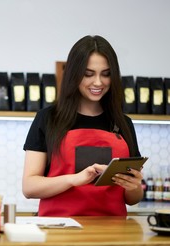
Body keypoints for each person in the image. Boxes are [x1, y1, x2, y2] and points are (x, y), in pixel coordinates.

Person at [22, 35, 143, 216]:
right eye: (88, 74)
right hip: (59, 230)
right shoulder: (48, 118)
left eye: (106, 74)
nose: (98, 82)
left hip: (112, 234)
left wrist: (135, 187)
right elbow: (29, 187)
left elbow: (132, 199)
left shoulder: (123, 123)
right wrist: (74, 179)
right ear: (74, 74)